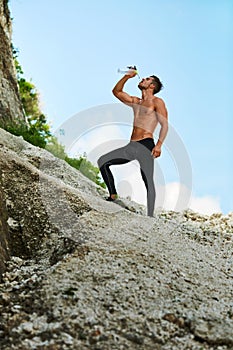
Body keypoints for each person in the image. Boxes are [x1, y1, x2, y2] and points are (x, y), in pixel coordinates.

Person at [97, 70, 168, 217]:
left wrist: (159, 145)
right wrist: (127, 76)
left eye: (147, 79)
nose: (143, 79)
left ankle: (150, 215)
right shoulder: (136, 102)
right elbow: (116, 91)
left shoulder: (157, 102)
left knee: (147, 178)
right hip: (132, 145)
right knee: (103, 161)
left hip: (146, 144)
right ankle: (113, 195)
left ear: (152, 86)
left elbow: (164, 124)